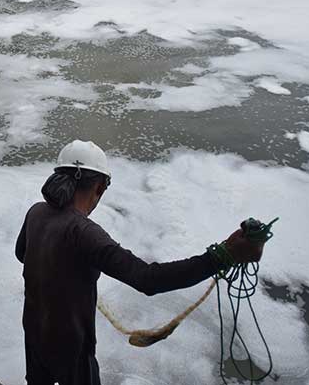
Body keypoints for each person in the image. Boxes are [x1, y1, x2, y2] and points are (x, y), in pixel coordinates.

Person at [15, 140, 265, 385]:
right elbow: (147, 279)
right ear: (100, 187)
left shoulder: (36, 212)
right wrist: (223, 256)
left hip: (34, 334)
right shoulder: (84, 233)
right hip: (71, 348)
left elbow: (21, 254)